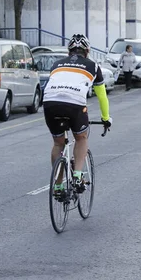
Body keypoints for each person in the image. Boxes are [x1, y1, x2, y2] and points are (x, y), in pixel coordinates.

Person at [42, 34, 112, 197]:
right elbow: (102, 96)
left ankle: (58, 185)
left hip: (50, 102)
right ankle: (78, 176)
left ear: (69, 51)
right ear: (87, 51)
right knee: (81, 138)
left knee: (58, 143)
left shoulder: (57, 64)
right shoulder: (93, 66)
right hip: (74, 103)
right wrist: (105, 118)